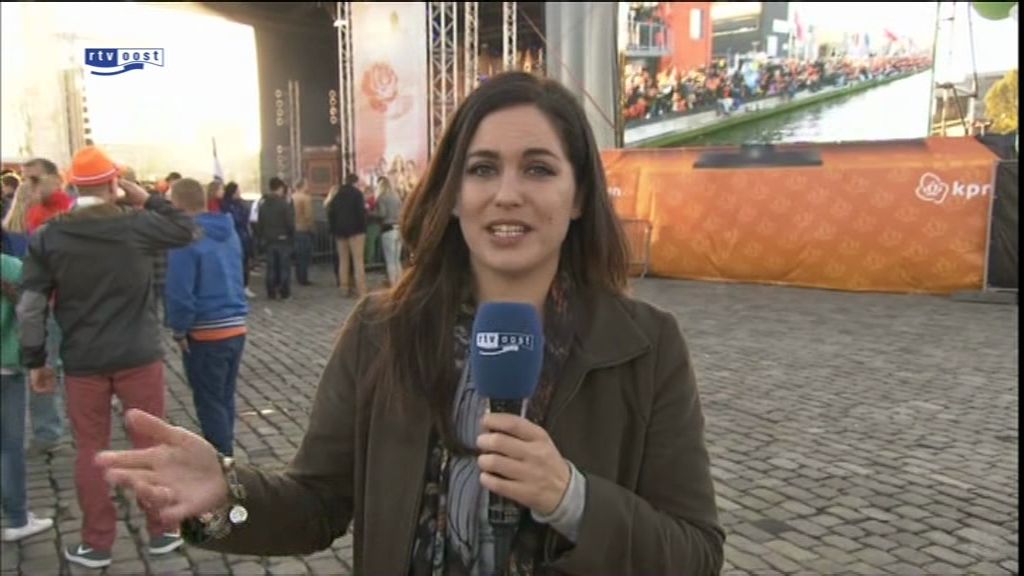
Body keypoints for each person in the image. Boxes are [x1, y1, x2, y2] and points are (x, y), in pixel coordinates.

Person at [95, 72, 724, 575]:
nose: (506, 193)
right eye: (482, 168)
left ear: (579, 195)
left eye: (538, 168)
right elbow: (316, 505)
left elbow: (695, 554)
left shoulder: (647, 347)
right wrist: (224, 500)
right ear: (453, 195)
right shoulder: (381, 332)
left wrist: (571, 498)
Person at [17, 145, 198, 568]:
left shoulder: (49, 236)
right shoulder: (137, 225)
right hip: (138, 353)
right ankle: (162, 530)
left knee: (91, 450)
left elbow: (30, 307)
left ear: (72, 186)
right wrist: (147, 197)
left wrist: (36, 360)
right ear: (114, 183)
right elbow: (186, 228)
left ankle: (97, 543)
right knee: (150, 442)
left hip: (83, 360)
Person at [165, 178, 248, 457]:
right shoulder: (229, 232)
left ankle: (223, 462)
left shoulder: (185, 237)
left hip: (205, 329)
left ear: (177, 204)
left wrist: (179, 328)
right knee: (224, 398)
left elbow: (180, 290)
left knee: (209, 402)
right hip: (235, 325)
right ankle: (226, 454)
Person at [1, 253, 55, 542]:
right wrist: (37, 361)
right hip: (6, 368)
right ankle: (17, 518)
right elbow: (30, 316)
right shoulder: (11, 267)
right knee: (10, 447)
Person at [327, 173, 367, 298]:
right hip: (356, 231)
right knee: (358, 261)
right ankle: (361, 290)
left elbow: (330, 213)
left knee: (343, 261)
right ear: (355, 182)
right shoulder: (357, 194)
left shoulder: (337, 195)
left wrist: (334, 229)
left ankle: (344, 288)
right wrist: (363, 228)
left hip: (340, 232)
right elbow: (361, 213)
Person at [255, 177, 294, 300]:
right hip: (283, 239)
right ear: (280, 188)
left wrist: (262, 237)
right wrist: (291, 235)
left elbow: (259, 223)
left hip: (268, 240)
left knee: (271, 268)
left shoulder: (263, 204)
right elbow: (290, 223)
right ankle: (284, 292)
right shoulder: (283, 204)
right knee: (283, 267)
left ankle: (271, 292)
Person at [221, 182, 256, 298]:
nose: (239, 193)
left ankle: (244, 285)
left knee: (244, 262)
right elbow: (237, 219)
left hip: (243, 235)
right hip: (235, 235)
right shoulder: (226, 205)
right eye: (237, 191)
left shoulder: (240, 204)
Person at [375, 176, 403, 287]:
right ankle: (400, 283)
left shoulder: (381, 197)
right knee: (397, 259)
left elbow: (382, 214)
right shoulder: (396, 196)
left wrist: (371, 213)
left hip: (388, 229)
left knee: (390, 260)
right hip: (398, 228)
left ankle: (393, 284)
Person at [291, 178, 315, 286]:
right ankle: (303, 278)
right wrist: (312, 228)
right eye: (306, 184)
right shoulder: (306, 198)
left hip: (293, 229)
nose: (308, 186)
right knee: (304, 255)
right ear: (303, 186)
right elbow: (308, 215)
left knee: (298, 255)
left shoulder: (292, 197)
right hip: (303, 229)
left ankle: (298, 276)